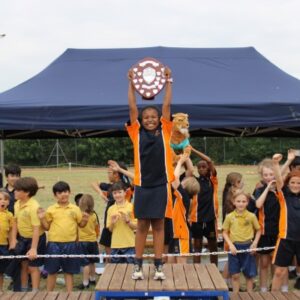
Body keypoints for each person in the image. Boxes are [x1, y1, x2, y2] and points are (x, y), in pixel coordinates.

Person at [127, 66, 174, 280]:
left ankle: (158, 267)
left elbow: (166, 104)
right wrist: (131, 83)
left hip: (161, 185)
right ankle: (137, 267)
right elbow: (132, 106)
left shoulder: (166, 131)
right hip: (142, 185)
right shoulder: (136, 133)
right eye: (146, 117)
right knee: (142, 226)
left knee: (159, 225)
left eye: (153, 116)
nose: (149, 119)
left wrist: (168, 81)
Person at [38, 181, 89, 292]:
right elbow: (46, 227)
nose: (63, 194)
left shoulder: (75, 209)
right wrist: (42, 218)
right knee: (52, 271)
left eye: (65, 191)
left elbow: (81, 225)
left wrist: (85, 219)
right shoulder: (51, 209)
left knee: (68, 271)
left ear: (69, 192)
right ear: (55, 195)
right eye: (59, 192)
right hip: (53, 244)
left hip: (70, 244)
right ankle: (49, 295)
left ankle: (69, 295)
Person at [10, 177, 46, 292]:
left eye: (17, 190)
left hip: (36, 239)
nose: (14, 192)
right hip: (22, 238)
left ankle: (35, 292)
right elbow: (15, 222)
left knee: (32, 267)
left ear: (26, 193)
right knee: (23, 265)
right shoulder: (17, 204)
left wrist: (34, 248)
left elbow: (36, 228)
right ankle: (24, 290)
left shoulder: (34, 207)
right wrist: (13, 239)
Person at [271, 154, 300, 291]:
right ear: (288, 184)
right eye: (292, 182)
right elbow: (277, 180)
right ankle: (273, 296)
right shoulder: (284, 196)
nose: (295, 185)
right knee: (279, 272)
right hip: (285, 239)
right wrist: (276, 164)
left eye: (299, 183)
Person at [91, 162, 131, 262]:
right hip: (109, 222)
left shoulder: (126, 185)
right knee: (109, 248)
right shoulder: (109, 186)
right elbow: (93, 182)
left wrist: (120, 169)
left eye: (109, 172)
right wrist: (100, 193)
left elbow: (136, 178)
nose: (107, 175)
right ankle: (110, 269)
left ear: (116, 174)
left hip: (123, 223)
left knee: (125, 253)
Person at [223, 190, 261, 292]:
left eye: (243, 201)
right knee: (235, 275)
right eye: (238, 201)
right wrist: (230, 245)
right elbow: (225, 232)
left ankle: (249, 295)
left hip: (248, 247)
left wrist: (255, 243)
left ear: (247, 202)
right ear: (233, 202)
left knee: (249, 275)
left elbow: (258, 230)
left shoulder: (251, 216)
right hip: (234, 248)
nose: (241, 204)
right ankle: (236, 295)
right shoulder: (229, 217)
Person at [252, 158, 280, 292]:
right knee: (264, 263)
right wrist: (268, 187)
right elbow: (258, 204)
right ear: (262, 176)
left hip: (278, 232)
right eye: (266, 175)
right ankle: (263, 289)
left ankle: (275, 288)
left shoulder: (281, 190)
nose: (269, 177)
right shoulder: (259, 189)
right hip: (264, 231)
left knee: (276, 263)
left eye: (271, 174)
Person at [169, 154, 200, 263]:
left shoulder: (184, 197)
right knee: (170, 266)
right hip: (175, 233)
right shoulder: (181, 196)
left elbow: (174, 178)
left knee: (181, 267)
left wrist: (180, 162)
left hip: (182, 234)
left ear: (185, 186)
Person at [190, 148, 218, 265]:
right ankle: (197, 269)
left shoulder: (212, 180)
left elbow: (210, 161)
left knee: (213, 246)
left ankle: (214, 268)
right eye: (199, 167)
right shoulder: (194, 180)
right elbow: (188, 168)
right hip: (196, 218)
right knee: (197, 246)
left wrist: (192, 150)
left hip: (211, 218)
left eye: (204, 167)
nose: (201, 169)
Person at [221, 172, 243, 290]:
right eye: (239, 182)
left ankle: (228, 282)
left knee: (233, 260)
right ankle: (224, 282)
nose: (242, 183)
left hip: (234, 233)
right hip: (231, 234)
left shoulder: (232, 194)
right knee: (231, 260)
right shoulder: (230, 197)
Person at [107, 181, 137, 264]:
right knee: (117, 271)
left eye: (120, 192)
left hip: (130, 244)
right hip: (115, 245)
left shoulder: (131, 207)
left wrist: (128, 221)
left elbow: (137, 226)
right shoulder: (110, 209)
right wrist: (112, 223)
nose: (117, 195)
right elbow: (110, 229)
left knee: (130, 270)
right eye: (115, 193)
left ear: (125, 193)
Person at [76, 194, 100, 290]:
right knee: (92, 262)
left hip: (83, 241)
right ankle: (93, 279)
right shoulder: (94, 214)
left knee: (85, 263)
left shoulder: (80, 214)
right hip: (93, 241)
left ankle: (85, 283)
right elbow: (96, 227)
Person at [0, 189, 14, 291]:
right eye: (0, 199)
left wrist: (11, 243)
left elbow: (11, 231)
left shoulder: (9, 215)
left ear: (8, 202)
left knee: (0, 271)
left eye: (5, 199)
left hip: (3, 246)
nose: (3, 201)